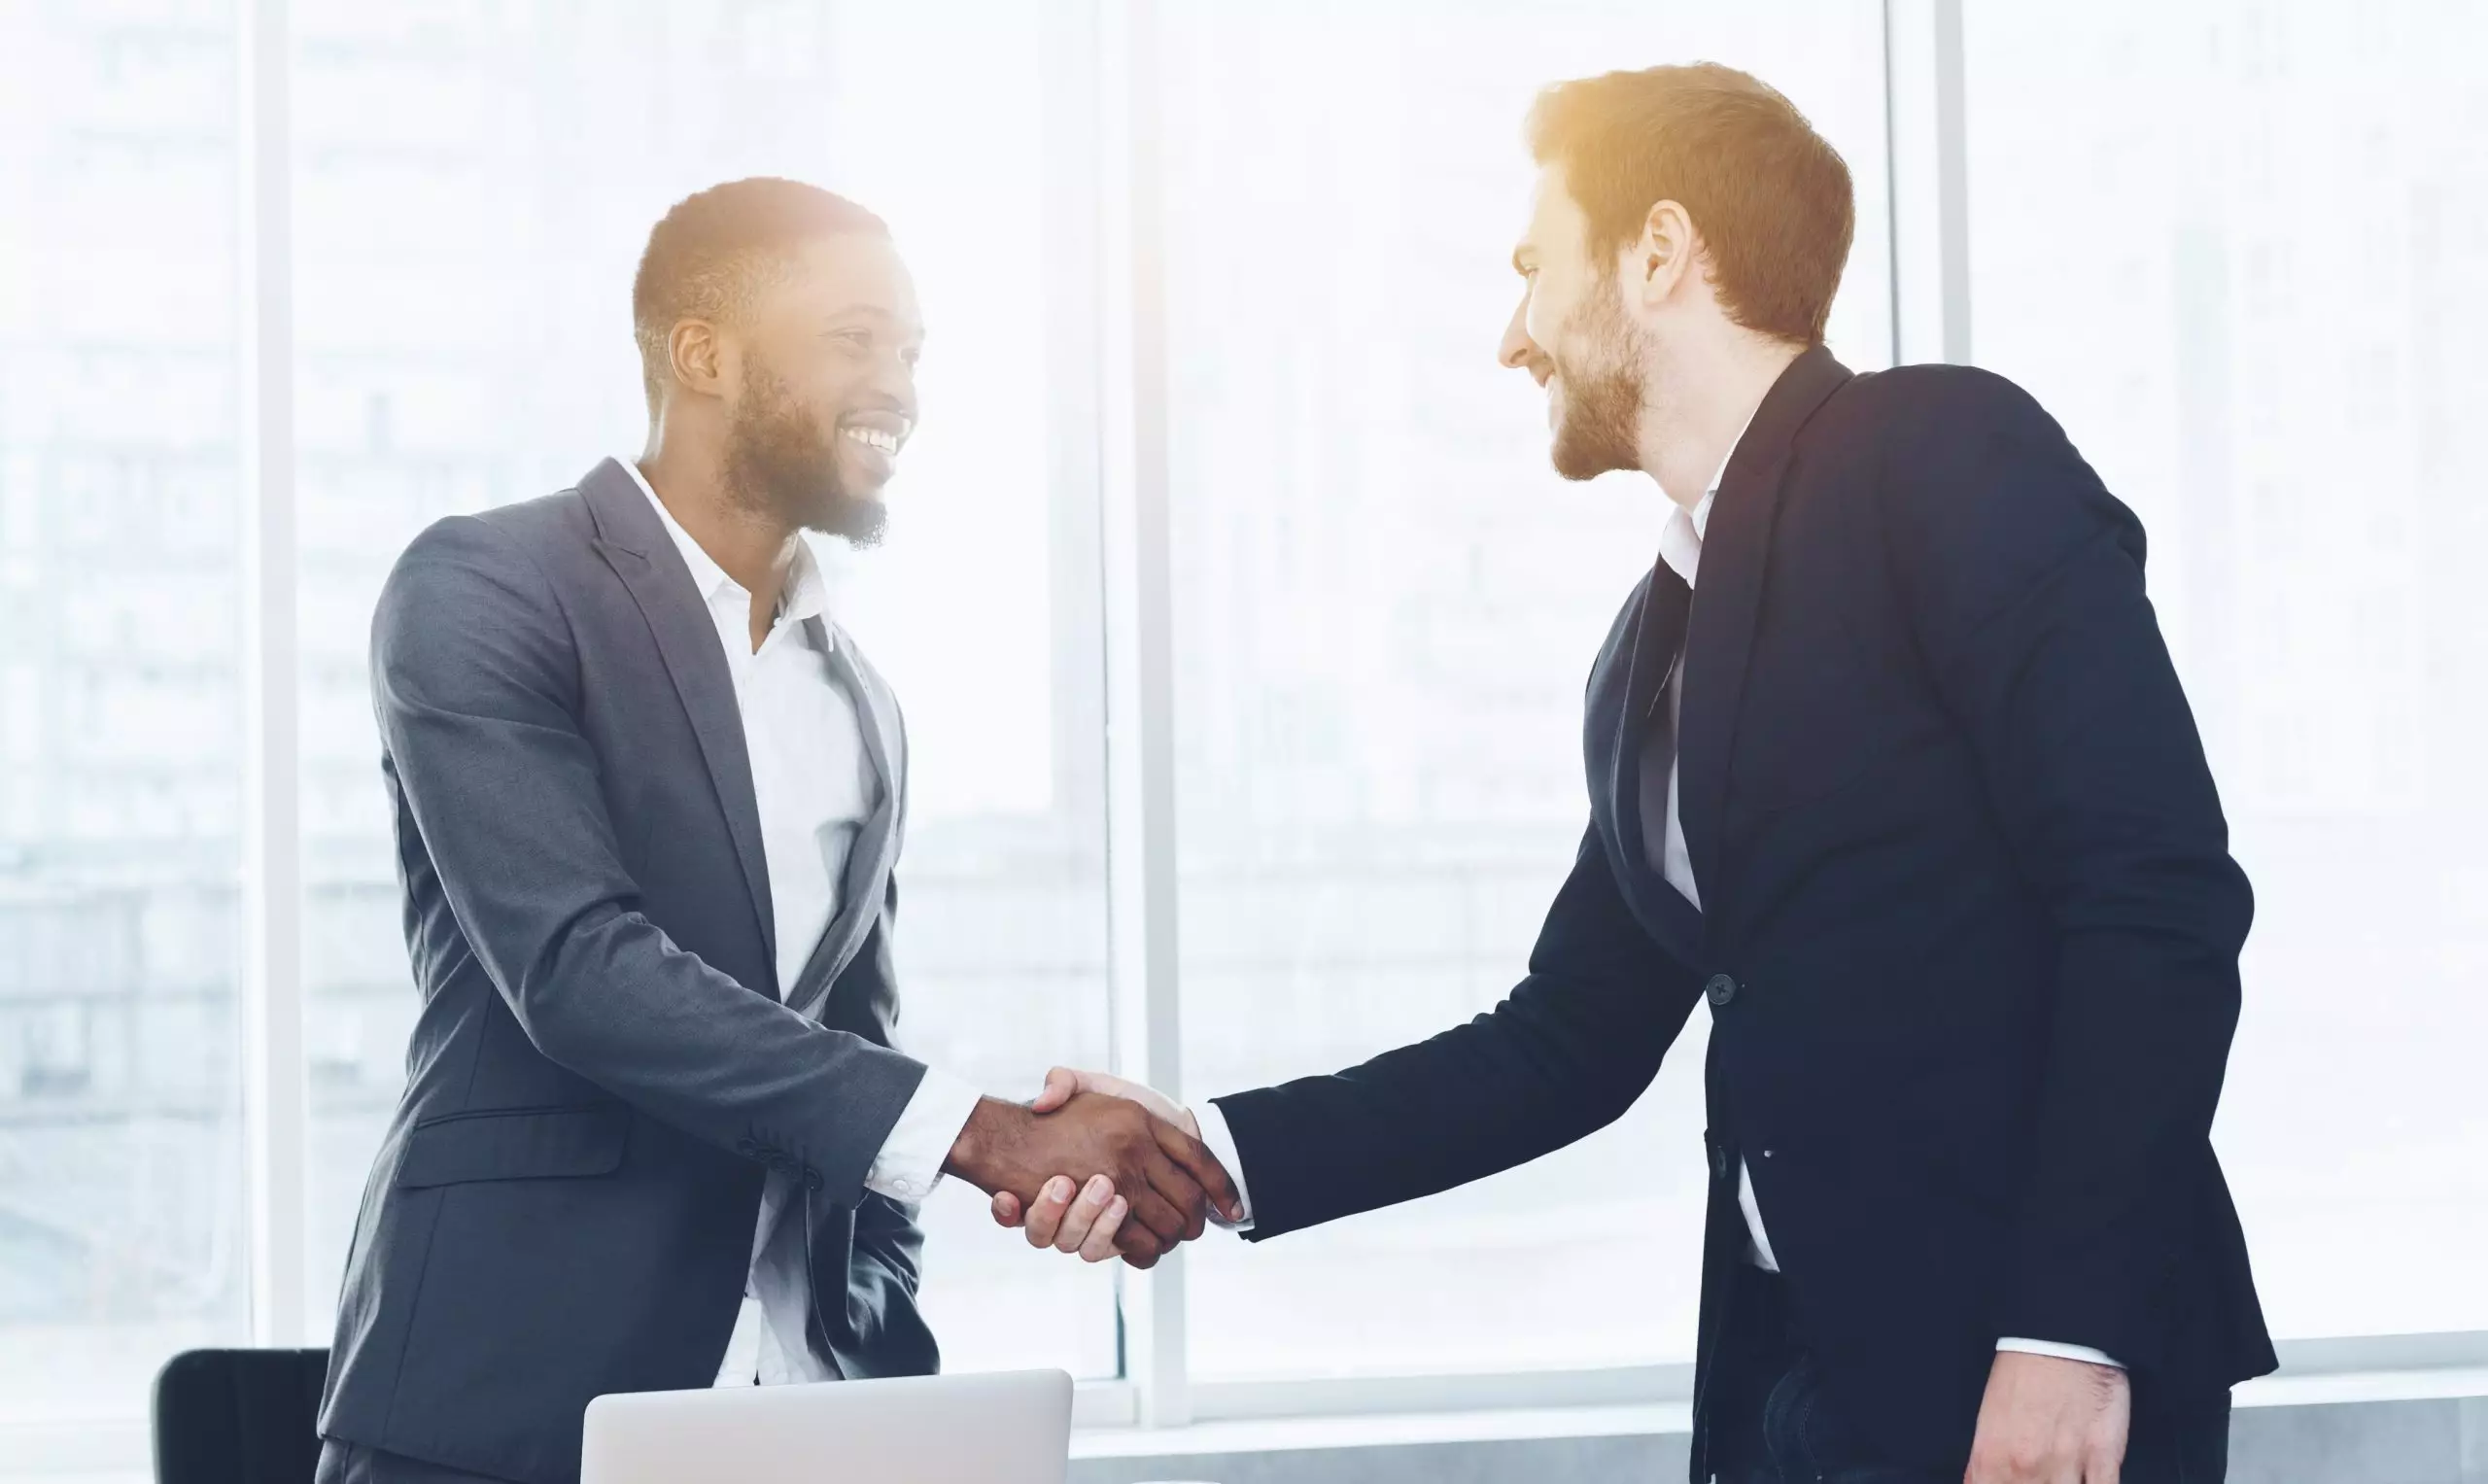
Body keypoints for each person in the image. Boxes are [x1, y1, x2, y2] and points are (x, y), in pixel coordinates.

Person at [994, 65, 2274, 1484]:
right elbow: (1568, 1037)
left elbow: (2154, 895)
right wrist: (1209, 1149)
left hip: (2014, 1386)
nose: (1512, 336)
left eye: (1536, 267)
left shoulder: (1941, 451)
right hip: (1799, 1386)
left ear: (1658, 252)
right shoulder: (1656, 639)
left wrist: (2067, 1335)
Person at [314, 177, 1236, 1484]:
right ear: (705, 353)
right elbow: (581, 972)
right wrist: (990, 1136)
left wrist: (879, 1320)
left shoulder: (859, 699)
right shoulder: (486, 587)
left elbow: (852, 1033)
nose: (900, 389)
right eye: (855, 338)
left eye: (912, 351)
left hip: (812, 1412)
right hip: (512, 1402)